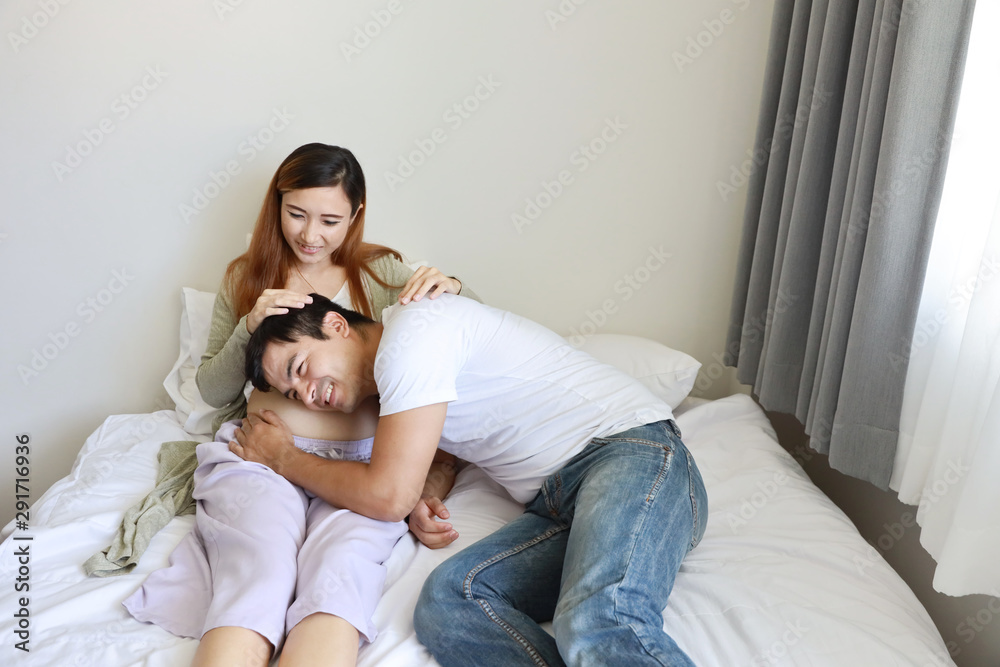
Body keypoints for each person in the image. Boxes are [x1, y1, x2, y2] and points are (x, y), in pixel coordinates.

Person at [124, 143, 476, 667]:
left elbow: (466, 340)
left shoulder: (379, 273)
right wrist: (248, 328)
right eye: (296, 214)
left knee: (339, 577)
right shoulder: (246, 276)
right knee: (260, 566)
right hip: (261, 457)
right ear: (277, 204)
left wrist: (454, 287)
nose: (311, 235)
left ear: (355, 215)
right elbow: (213, 392)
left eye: (330, 220)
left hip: (362, 470)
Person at [232, 293, 709, 666]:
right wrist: (423, 488)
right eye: (293, 394)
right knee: (450, 601)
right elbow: (419, 467)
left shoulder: (411, 338)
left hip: (631, 454)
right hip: (556, 504)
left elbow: (387, 496)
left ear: (336, 325)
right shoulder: (393, 381)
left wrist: (285, 458)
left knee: (597, 618)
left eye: (300, 369)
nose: (307, 396)